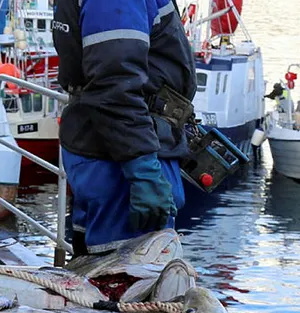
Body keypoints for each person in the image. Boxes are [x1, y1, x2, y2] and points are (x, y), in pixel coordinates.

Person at [52, 0, 196, 256]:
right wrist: (144, 172)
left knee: (98, 273)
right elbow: (116, 86)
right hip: (121, 164)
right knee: (129, 283)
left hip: (108, 147)